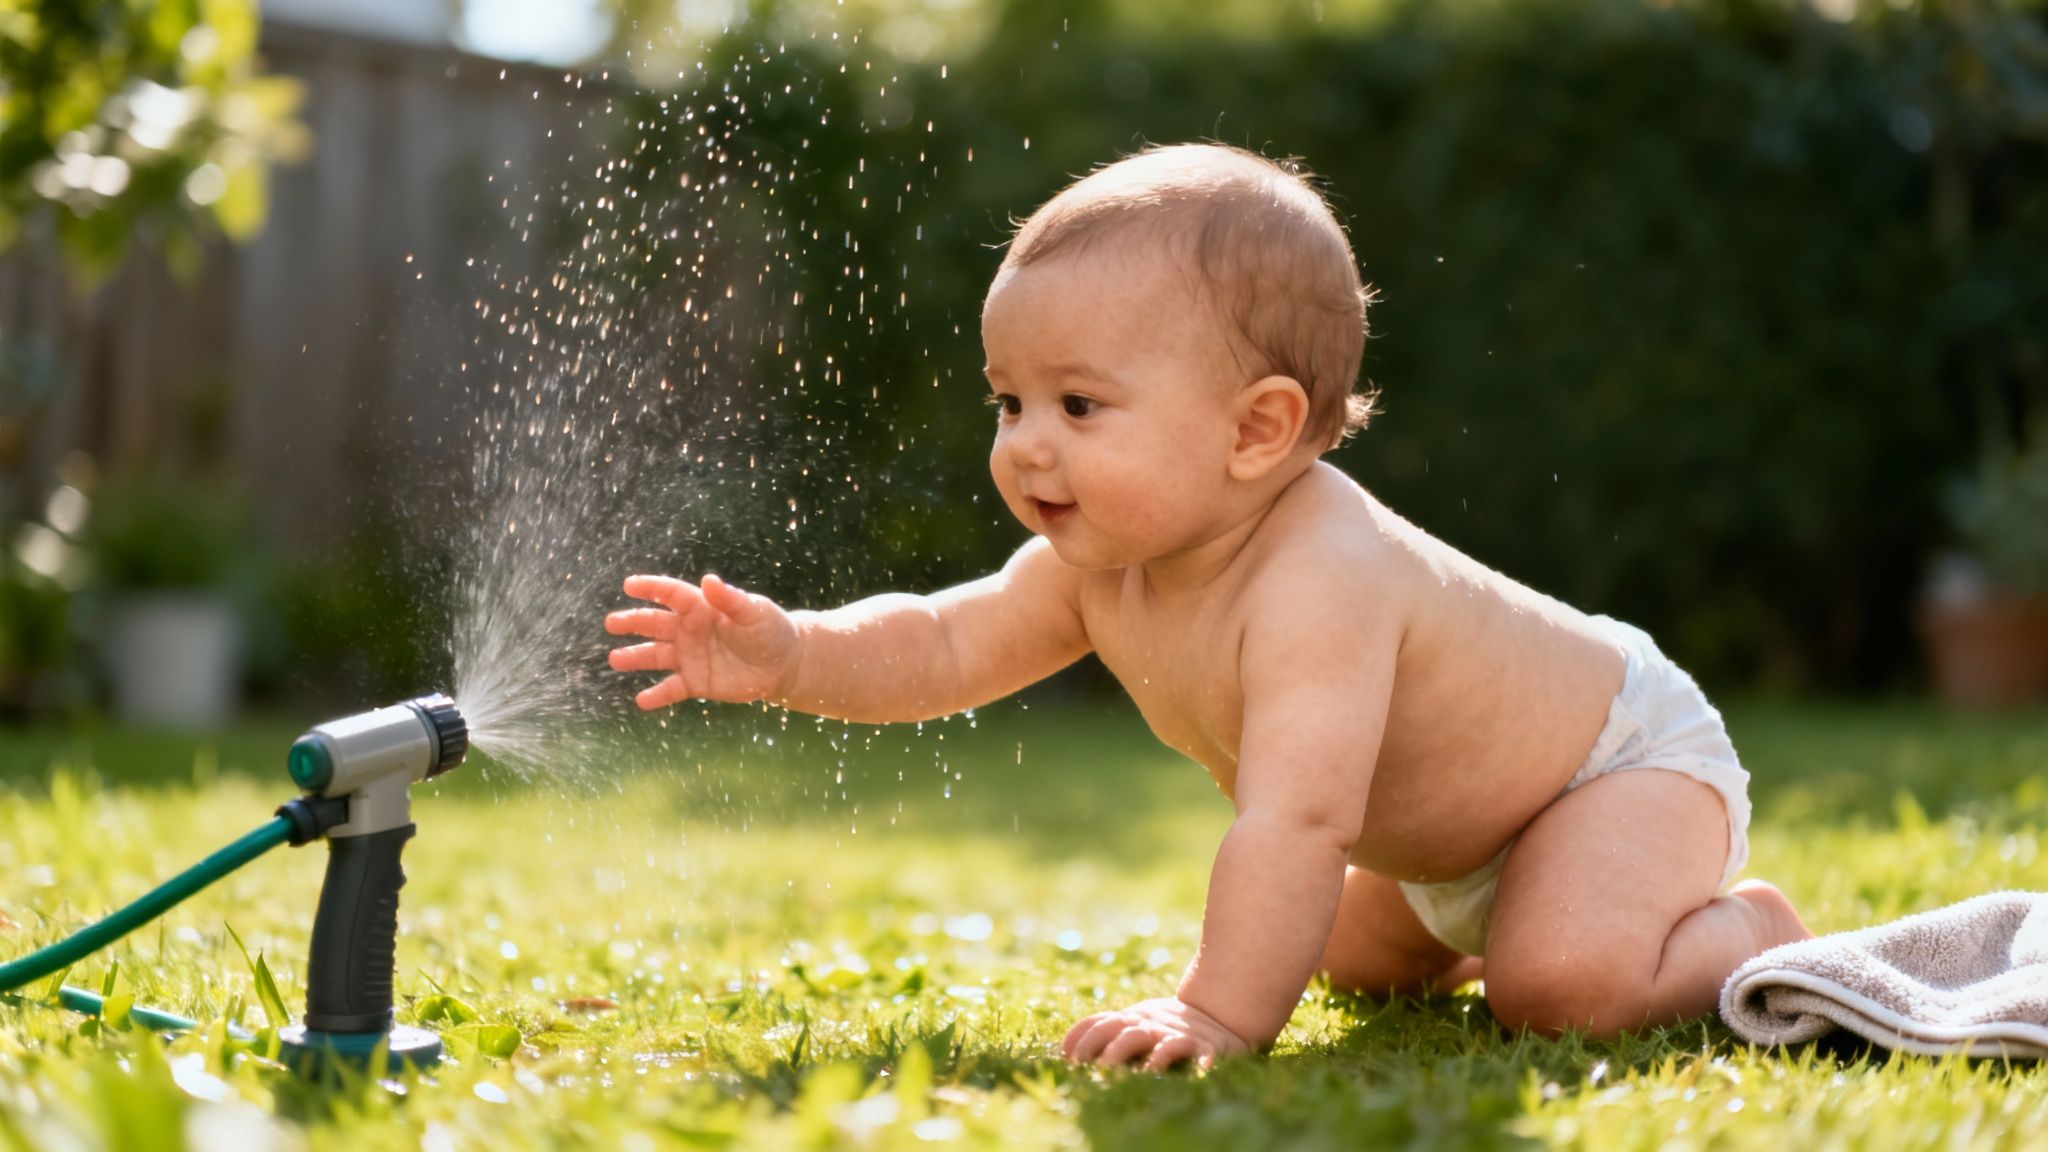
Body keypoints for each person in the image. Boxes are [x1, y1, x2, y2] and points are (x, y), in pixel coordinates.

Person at [603, 142, 1812, 1070]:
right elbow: (943, 641)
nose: (1025, 446)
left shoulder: (1317, 576)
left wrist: (1215, 1012)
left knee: (1559, 994)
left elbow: (1297, 823)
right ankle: (1484, 917)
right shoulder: (1102, 565)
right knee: (1346, 957)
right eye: (1006, 401)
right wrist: (793, 654)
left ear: (1255, 431)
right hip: (1459, 839)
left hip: (1608, 771)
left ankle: (1747, 932)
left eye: (1076, 406)